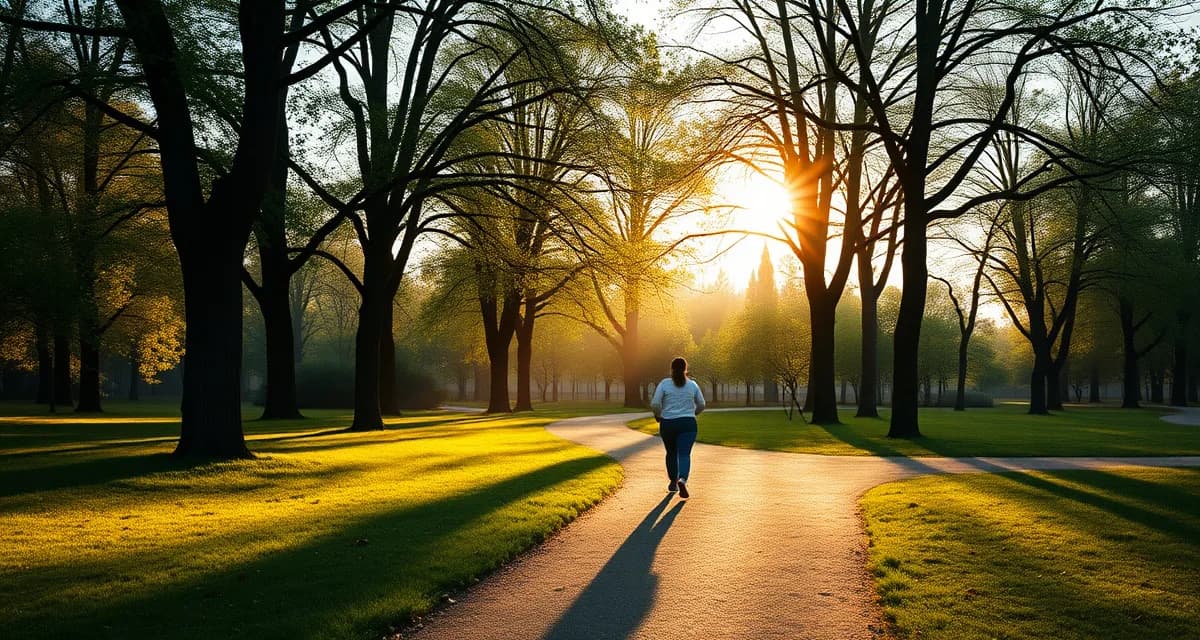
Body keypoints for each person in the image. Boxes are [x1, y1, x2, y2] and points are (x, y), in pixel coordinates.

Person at [650, 356, 705, 499]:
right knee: (684, 454)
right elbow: (702, 404)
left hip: (668, 424)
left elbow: (655, 403)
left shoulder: (664, 384)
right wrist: (694, 413)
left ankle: (673, 481)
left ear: (671, 369)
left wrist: (658, 415)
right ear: (685, 369)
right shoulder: (692, 385)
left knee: (671, 453)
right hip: (688, 424)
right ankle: (683, 479)